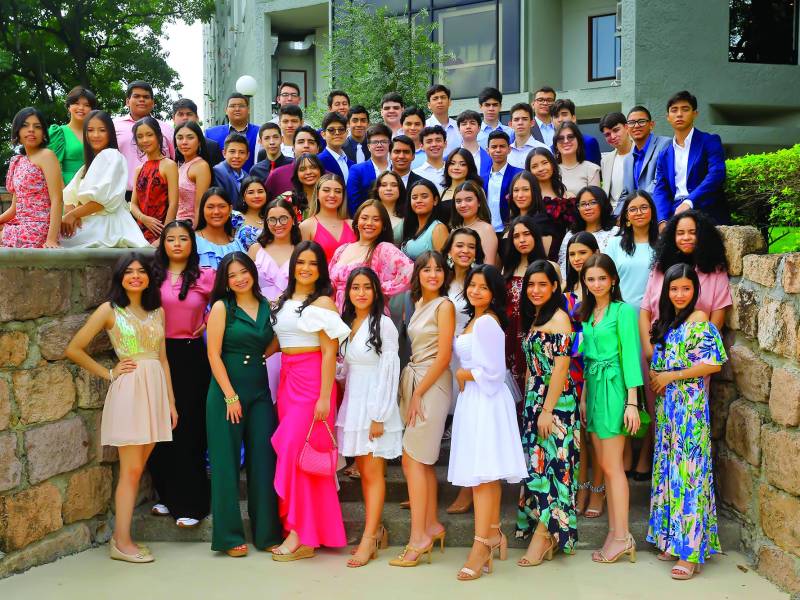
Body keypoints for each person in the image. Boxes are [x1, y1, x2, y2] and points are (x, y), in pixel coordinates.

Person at [65, 254, 176, 563]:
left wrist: (171, 401)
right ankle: (121, 541)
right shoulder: (109, 310)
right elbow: (74, 348)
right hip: (130, 391)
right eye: (129, 272)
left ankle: (122, 538)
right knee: (131, 470)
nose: (136, 276)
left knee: (138, 469)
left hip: (155, 390)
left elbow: (163, 359)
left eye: (141, 271)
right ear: (120, 277)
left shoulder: (157, 312)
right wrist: (109, 373)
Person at [271, 241, 351, 560]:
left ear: (320, 270)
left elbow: (330, 352)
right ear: (292, 266)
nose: (305, 268)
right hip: (287, 380)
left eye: (312, 264)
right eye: (300, 262)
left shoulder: (323, 303)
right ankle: (303, 530)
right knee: (293, 453)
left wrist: (324, 397)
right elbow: (278, 343)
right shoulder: (283, 300)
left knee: (297, 450)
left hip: (313, 381)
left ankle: (298, 532)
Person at [647, 263, 728, 580]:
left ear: (695, 290)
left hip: (689, 408)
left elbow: (712, 363)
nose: (680, 294)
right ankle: (671, 538)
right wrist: (659, 375)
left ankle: (691, 551)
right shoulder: (667, 321)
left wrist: (672, 375)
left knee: (689, 474)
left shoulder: (698, 319)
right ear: (666, 291)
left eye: (686, 288)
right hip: (668, 408)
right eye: (674, 288)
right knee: (669, 471)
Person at [449, 265, 527, 580]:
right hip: (474, 401)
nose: (476, 291)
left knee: (484, 476)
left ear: (494, 292)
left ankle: (482, 545)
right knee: (483, 475)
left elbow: (494, 372)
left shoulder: (487, 324)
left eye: (483, 286)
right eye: (472, 285)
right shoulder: (474, 321)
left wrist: (465, 373)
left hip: (486, 400)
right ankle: (491, 535)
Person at [205, 252, 281, 557]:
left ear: (252, 272)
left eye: (243, 272)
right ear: (225, 279)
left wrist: (265, 354)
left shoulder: (267, 305)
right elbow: (213, 355)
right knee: (225, 465)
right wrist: (230, 396)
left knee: (264, 462)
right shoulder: (223, 307)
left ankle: (267, 534)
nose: (239, 278)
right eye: (232, 274)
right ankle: (228, 537)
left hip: (260, 393)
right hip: (226, 394)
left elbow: (278, 339)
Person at [576, 254, 642, 564]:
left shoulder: (622, 311)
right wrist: (585, 397)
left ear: (613, 279)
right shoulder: (588, 314)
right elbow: (587, 359)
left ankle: (621, 536)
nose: (597, 284)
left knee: (613, 467)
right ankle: (616, 532)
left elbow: (630, 356)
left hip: (615, 388)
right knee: (603, 463)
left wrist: (632, 401)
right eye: (591, 279)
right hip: (594, 388)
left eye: (602, 278)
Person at [148, 222, 214, 528]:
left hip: (190, 356)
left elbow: (233, 299)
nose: (176, 244)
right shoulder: (152, 276)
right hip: (155, 354)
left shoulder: (205, 276)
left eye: (183, 239)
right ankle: (165, 494)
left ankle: (192, 502)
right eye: (170, 239)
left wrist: (211, 319)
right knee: (159, 426)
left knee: (189, 427)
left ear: (192, 243)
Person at [391, 251, 455, 567]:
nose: (433, 274)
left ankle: (419, 538)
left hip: (432, 381)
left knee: (413, 459)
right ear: (418, 273)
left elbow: (444, 355)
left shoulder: (445, 306)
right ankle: (430, 525)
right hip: (417, 377)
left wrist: (419, 392)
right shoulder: (415, 304)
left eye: (438, 269)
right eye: (426, 269)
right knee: (420, 460)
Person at [337, 267, 403, 567]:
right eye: (355, 287)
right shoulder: (348, 322)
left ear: (376, 291)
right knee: (363, 472)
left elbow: (390, 372)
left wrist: (380, 415)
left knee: (374, 473)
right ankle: (375, 530)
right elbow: (347, 367)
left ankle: (368, 538)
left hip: (376, 407)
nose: (360, 292)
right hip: (354, 402)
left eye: (366, 287)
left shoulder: (384, 324)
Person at [515, 260, 579, 564]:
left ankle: (543, 537)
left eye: (543, 284)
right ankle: (545, 533)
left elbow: (561, 368)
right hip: (534, 401)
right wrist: (531, 406)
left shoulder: (559, 319)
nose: (536, 290)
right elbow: (532, 366)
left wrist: (547, 410)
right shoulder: (538, 316)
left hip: (555, 406)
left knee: (553, 470)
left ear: (555, 286)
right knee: (537, 469)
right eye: (531, 284)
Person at [605, 191, 660, 479]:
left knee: (648, 390)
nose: (638, 213)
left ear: (652, 211)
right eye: (633, 209)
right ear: (625, 215)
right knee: (624, 387)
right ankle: (625, 451)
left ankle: (646, 452)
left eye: (644, 207)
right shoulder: (615, 245)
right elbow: (605, 280)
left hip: (652, 322)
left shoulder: (661, 245)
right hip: (620, 319)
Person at [640, 210, 731, 356]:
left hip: (695, 357)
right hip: (658, 351)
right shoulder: (660, 268)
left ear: (702, 235)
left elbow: (717, 319)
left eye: (692, 232)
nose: (686, 237)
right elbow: (645, 312)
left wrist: (689, 354)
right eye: (680, 233)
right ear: (672, 236)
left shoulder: (716, 271)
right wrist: (649, 352)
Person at [60, 110, 148, 249]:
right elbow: (69, 196)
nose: (95, 135)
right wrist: (72, 217)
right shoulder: (86, 167)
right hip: (90, 220)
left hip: (108, 226)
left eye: (102, 130)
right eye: (90, 130)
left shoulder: (111, 155)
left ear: (110, 133)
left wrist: (73, 215)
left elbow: (102, 202)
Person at [249, 196, 300, 401]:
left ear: (293, 219)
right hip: (261, 317)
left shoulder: (302, 248)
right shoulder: (255, 249)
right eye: (272, 220)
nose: (278, 225)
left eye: (283, 218)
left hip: (293, 318)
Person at [653, 91, 729, 225]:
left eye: (685, 109)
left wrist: (689, 201)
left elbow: (717, 174)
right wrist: (662, 220)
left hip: (705, 210)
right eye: (674, 110)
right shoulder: (664, 154)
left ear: (695, 113)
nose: (679, 114)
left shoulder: (709, 141)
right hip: (674, 213)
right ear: (668, 117)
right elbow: (661, 190)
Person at [329, 199, 412, 312]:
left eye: (376, 219)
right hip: (335, 315)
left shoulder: (384, 249)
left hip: (367, 316)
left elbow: (411, 272)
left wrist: (377, 288)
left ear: (383, 225)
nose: (369, 223)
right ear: (357, 221)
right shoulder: (342, 249)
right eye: (364, 218)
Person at [502, 216, 551, 396]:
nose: (521, 240)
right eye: (516, 236)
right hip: (509, 340)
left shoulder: (549, 267)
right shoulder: (506, 270)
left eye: (527, 234)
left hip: (537, 337)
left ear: (535, 236)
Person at [1, 107, 62, 248]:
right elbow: (14, 208)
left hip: (38, 228)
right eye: (25, 125)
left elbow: (57, 199)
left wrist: (51, 239)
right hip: (20, 223)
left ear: (43, 134)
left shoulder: (47, 156)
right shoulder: (18, 161)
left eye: (37, 126)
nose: (31, 130)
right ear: (17, 131)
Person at [114, 81, 175, 196]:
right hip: (122, 195)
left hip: (159, 195)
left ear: (152, 103)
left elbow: (174, 159)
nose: (141, 99)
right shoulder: (114, 127)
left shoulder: (167, 130)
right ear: (127, 101)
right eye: (136, 96)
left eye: (146, 97)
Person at [129, 117, 179, 244]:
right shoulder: (139, 169)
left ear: (158, 136)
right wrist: (144, 219)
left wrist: (165, 236)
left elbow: (174, 204)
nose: (144, 140)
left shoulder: (169, 165)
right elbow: (133, 204)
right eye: (140, 136)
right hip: (139, 232)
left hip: (162, 232)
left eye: (149, 135)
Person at [526, 148, 577, 261]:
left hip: (562, 259)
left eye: (545, 163)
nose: (541, 169)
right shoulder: (525, 197)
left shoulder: (567, 197)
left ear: (553, 164)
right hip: (531, 260)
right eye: (534, 166)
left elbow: (574, 230)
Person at [558, 186, 618, 274]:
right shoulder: (571, 235)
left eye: (593, 202)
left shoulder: (615, 232)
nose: (587, 208)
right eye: (582, 204)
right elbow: (564, 266)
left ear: (602, 204)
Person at [299, 173, 355, 262]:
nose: (332, 195)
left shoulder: (353, 225)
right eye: (326, 190)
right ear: (317, 194)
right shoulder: (306, 226)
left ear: (343, 196)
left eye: (338, 191)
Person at [620, 106, 671, 200]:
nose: (636, 126)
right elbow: (625, 193)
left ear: (651, 125)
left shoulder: (665, 144)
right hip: (635, 211)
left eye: (641, 121)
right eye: (631, 123)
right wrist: (618, 214)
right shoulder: (627, 159)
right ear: (627, 128)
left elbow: (660, 181)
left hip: (657, 208)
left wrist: (638, 203)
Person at [49, 86, 96, 184]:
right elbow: (52, 169)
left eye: (86, 105)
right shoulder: (58, 132)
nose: (81, 108)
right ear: (69, 106)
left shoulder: (97, 133)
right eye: (76, 103)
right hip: (68, 186)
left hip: (94, 186)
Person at [265, 126, 323, 201]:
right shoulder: (277, 175)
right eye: (301, 142)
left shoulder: (327, 177)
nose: (306, 146)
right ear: (293, 148)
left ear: (318, 149)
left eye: (311, 142)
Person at [205, 93, 259, 172]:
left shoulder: (260, 133)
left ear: (248, 110)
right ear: (226, 111)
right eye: (232, 106)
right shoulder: (211, 134)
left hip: (253, 181)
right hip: (220, 182)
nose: (237, 109)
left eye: (241, 106)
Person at [346, 124, 392, 216]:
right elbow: (353, 203)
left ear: (389, 144)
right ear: (368, 146)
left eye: (383, 141)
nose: (379, 145)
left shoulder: (396, 168)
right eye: (375, 142)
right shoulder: (357, 170)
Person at [194, 187, 245, 268]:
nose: (216, 212)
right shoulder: (192, 241)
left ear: (230, 209)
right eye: (210, 207)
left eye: (222, 206)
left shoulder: (238, 243)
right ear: (202, 210)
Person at [483, 131, 522, 236]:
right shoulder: (482, 178)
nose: (498, 150)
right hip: (486, 231)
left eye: (502, 146)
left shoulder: (519, 174)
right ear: (488, 150)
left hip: (510, 231)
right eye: (494, 147)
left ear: (509, 149)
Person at [174, 120, 213, 226]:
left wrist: (194, 233)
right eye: (180, 138)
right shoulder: (180, 166)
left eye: (190, 137)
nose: (184, 142)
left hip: (190, 225)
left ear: (199, 141)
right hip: (176, 224)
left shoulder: (201, 166)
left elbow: (200, 206)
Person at [450, 181, 498, 265]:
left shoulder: (486, 229)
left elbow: (488, 267)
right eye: (458, 201)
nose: (463, 205)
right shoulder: (454, 229)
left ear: (479, 202)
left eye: (468, 200)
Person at [400, 179, 449, 259]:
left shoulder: (438, 228)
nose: (419, 201)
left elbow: (443, 264)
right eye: (414, 197)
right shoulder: (411, 227)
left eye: (424, 196)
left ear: (435, 200)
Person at [554, 122, 601, 197]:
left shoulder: (592, 169)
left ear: (578, 141)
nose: (566, 141)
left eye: (570, 137)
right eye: (560, 138)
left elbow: (595, 203)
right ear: (556, 145)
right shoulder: (551, 170)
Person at [550, 99, 602, 166]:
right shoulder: (552, 148)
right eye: (556, 116)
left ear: (573, 118)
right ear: (552, 121)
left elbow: (597, 170)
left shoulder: (589, 142)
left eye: (564, 115)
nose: (560, 119)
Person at [173, 98, 223, 165]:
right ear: (173, 118)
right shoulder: (167, 145)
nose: (185, 118)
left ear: (197, 118)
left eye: (189, 114)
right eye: (180, 114)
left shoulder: (211, 147)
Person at [598, 112, 632, 206]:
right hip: (612, 215)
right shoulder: (606, 160)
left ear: (626, 127)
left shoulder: (640, 154)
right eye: (607, 134)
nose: (612, 137)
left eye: (616, 130)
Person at [440, 148, 482, 220]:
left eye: (462, 164)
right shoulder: (441, 193)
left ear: (469, 167)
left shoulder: (477, 191)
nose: (456, 168)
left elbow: (483, 217)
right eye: (452, 163)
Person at [213, 133, 250, 211]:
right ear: (224, 153)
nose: (237, 156)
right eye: (232, 152)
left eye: (242, 152)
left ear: (247, 156)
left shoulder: (247, 176)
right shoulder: (218, 172)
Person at [369, 170, 406, 245]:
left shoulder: (408, 216)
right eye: (384, 185)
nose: (389, 188)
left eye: (394, 185)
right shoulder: (367, 213)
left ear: (400, 189)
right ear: (377, 189)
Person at [508, 103, 549, 169]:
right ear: (510, 124)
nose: (520, 123)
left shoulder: (543, 149)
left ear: (532, 123)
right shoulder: (506, 152)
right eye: (516, 119)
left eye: (524, 119)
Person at [426, 84, 462, 157]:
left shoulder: (459, 127)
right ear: (429, 105)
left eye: (443, 97)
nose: (440, 101)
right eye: (435, 98)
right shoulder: (424, 127)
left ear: (449, 102)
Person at [232, 176, 266, 250]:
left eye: (260, 191)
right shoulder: (236, 217)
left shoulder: (272, 218)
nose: (256, 196)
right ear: (243, 197)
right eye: (251, 192)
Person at [318, 112, 354, 183]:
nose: (337, 133)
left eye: (341, 129)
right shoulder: (318, 161)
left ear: (346, 133)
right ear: (323, 134)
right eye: (331, 130)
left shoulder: (352, 163)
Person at [287, 152, 325, 220]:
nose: (308, 172)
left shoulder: (330, 197)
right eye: (302, 169)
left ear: (320, 170)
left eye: (313, 167)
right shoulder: (288, 201)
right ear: (297, 175)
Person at [457, 110, 491, 180]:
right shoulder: (450, 158)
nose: (468, 126)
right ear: (458, 129)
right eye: (464, 124)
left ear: (479, 128)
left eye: (472, 123)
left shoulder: (490, 158)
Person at [413, 125, 447, 194]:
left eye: (438, 140)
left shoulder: (454, 171)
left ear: (445, 144)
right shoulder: (415, 174)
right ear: (422, 146)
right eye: (429, 141)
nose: (434, 144)